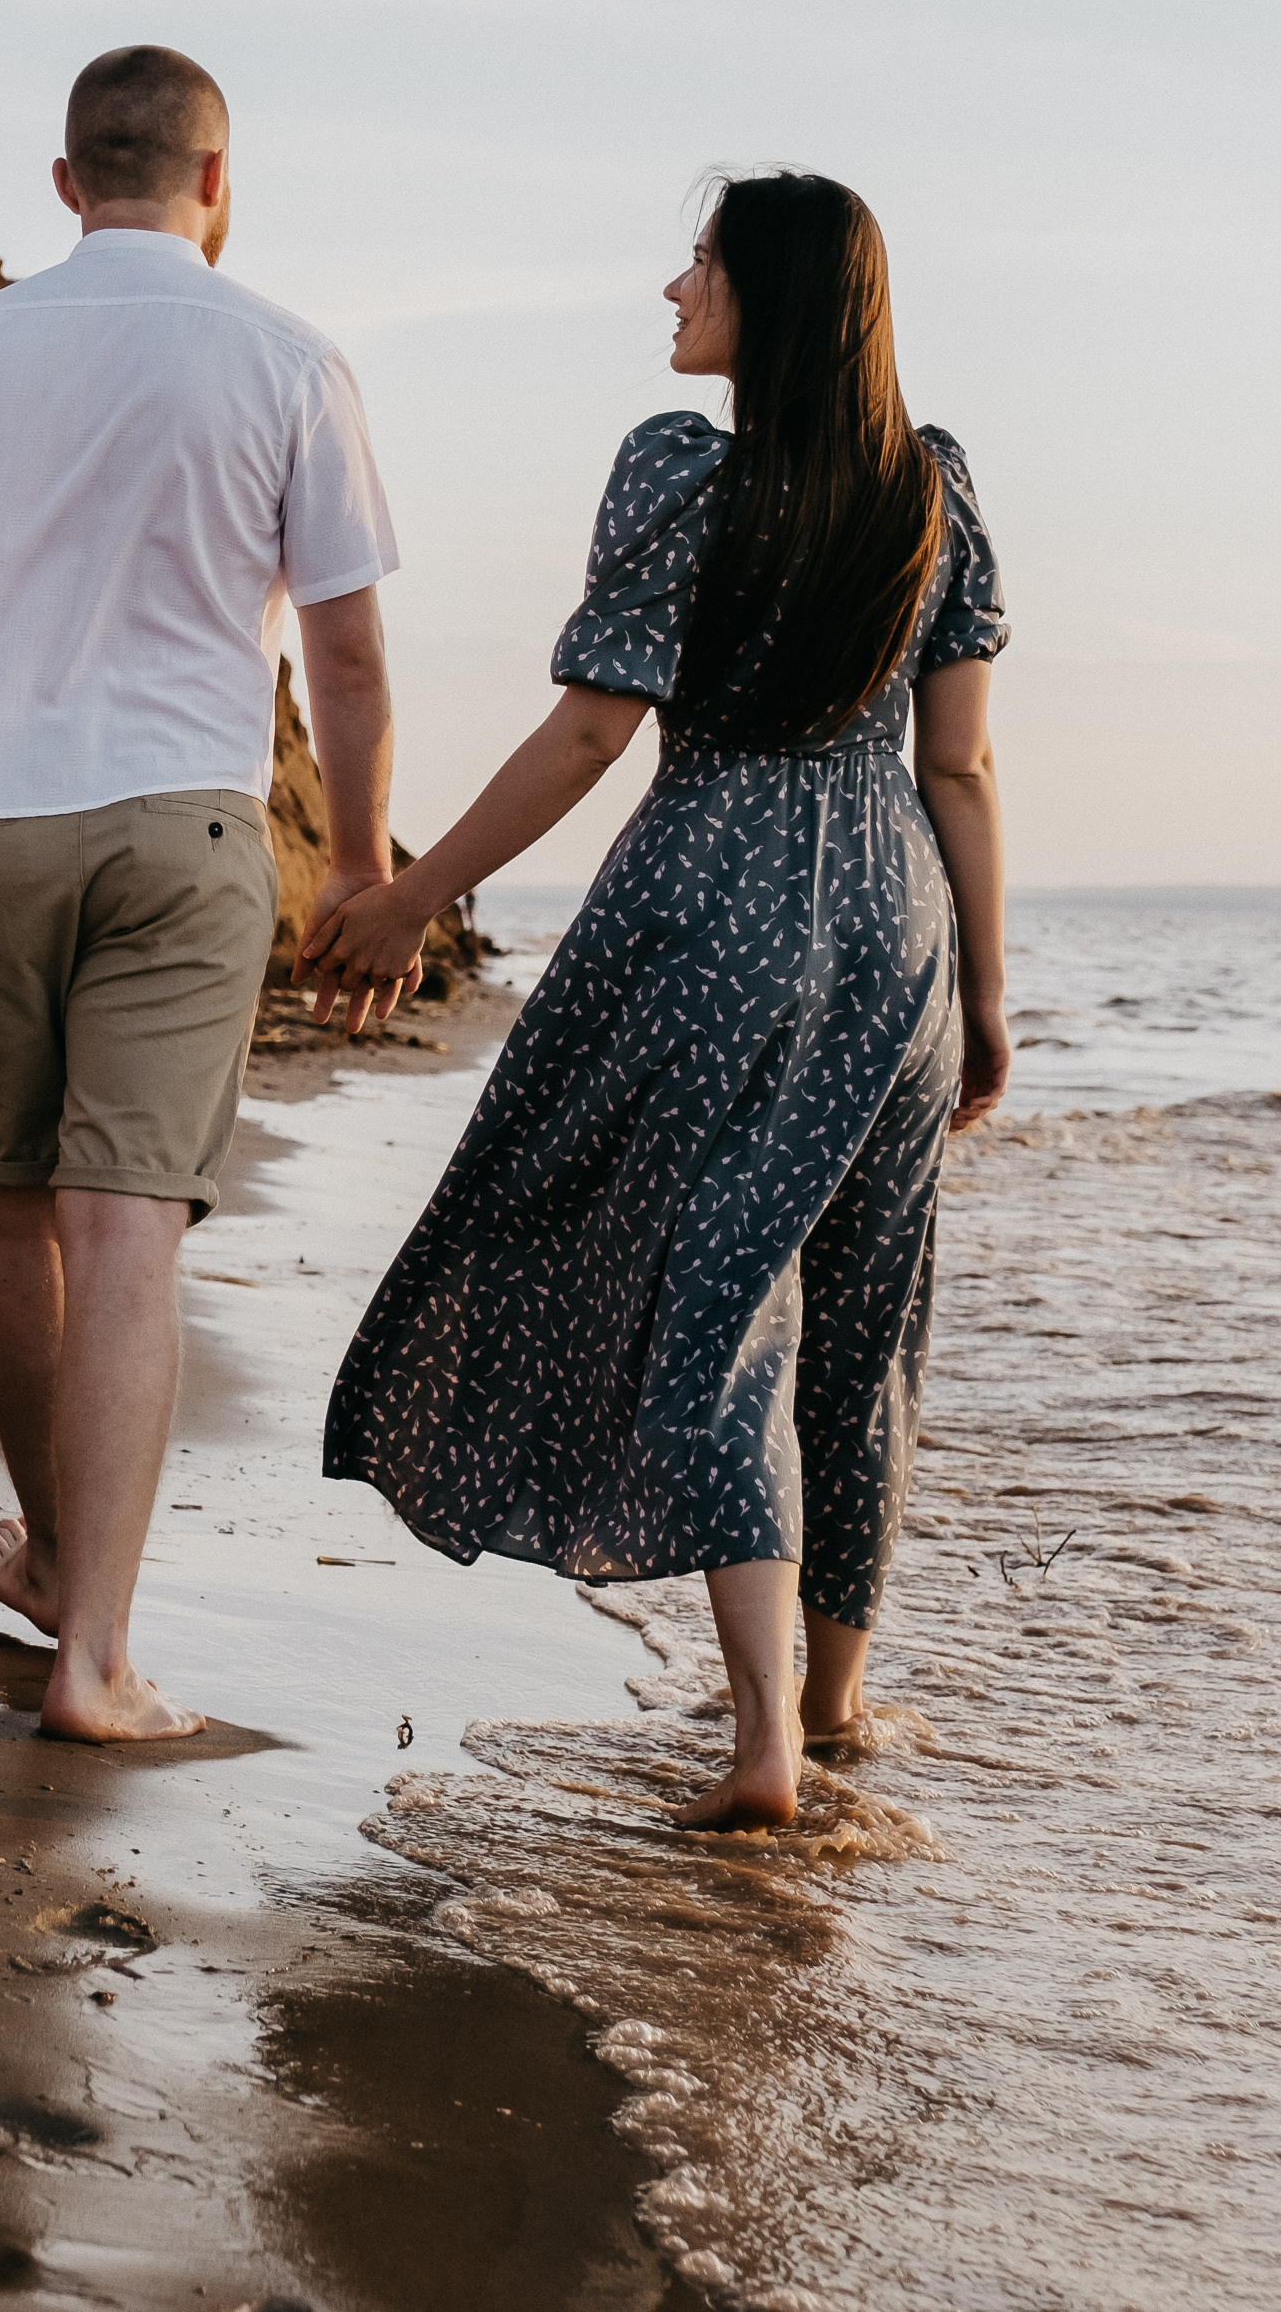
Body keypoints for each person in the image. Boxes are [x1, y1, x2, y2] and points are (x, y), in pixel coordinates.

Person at [302, 168, 1008, 1829]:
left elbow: (587, 735)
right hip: (897, 920)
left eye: (697, 263)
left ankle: (760, 1747)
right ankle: (834, 1708)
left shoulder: (678, 472)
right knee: (861, 1315)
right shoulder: (936, 488)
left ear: (771, 299)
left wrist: (410, 894)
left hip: (714, 904)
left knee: (707, 1303)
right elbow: (960, 763)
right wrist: (984, 989)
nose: (669, 286)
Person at [0, 47, 405, 1742]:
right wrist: (362, 860)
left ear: (67, 181)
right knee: (128, 1232)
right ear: (218, 183)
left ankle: (66, 1564)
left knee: (14, 1213)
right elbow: (347, 647)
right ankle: (95, 1659)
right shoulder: (286, 357)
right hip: (179, 838)